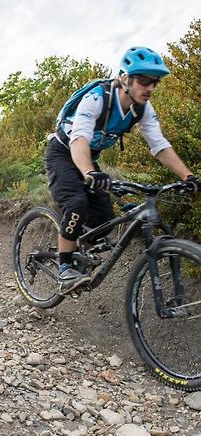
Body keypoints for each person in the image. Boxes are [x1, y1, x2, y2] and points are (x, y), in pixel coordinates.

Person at [45, 46, 200, 295]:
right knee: (76, 204)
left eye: (155, 82)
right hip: (63, 153)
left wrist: (188, 176)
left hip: (88, 159)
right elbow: (79, 139)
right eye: (144, 80)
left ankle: (82, 247)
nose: (150, 88)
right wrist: (89, 172)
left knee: (105, 220)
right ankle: (64, 267)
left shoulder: (142, 109)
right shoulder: (97, 98)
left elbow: (160, 146)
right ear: (125, 78)